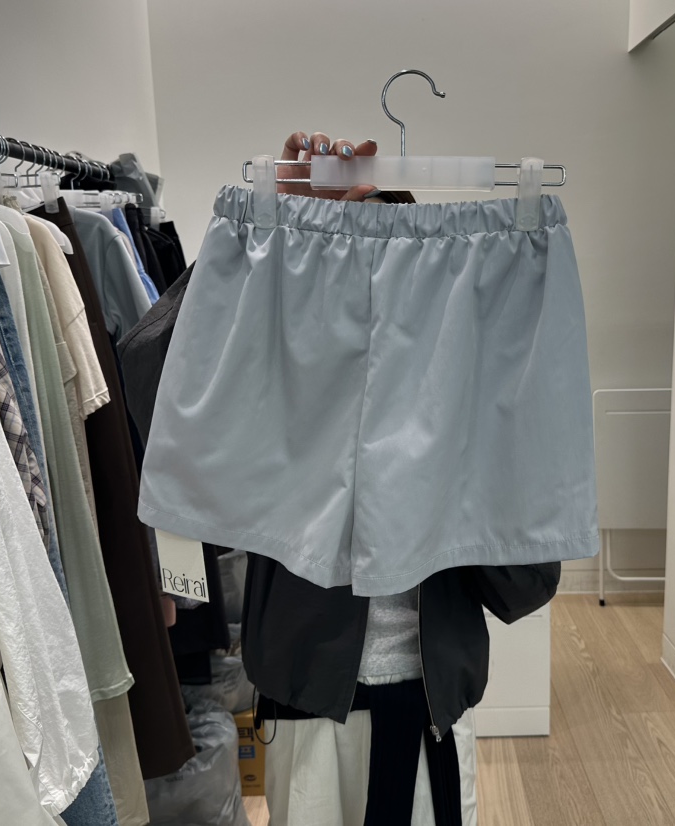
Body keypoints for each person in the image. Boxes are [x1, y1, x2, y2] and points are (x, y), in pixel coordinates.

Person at [240, 131, 563, 826]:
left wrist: (463, 463)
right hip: (308, 709)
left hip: (431, 709)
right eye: (344, 256)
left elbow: (529, 583)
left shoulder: (461, 395)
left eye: (388, 260)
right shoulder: (276, 384)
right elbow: (152, 380)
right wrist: (272, 228)